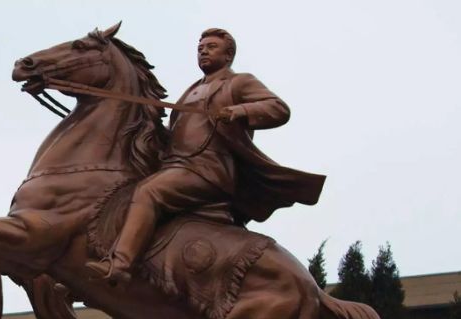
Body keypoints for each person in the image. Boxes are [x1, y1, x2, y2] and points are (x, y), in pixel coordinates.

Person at [86, 28, 325, 285]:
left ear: (228, 54)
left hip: (207, 170)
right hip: (175, 167)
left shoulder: (239, 82)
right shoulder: (191, 90)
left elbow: (278, 109)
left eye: (211, 47)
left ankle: (121, 264)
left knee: (148, 192)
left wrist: (240, 110)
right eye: (200, 48)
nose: (203, 51)